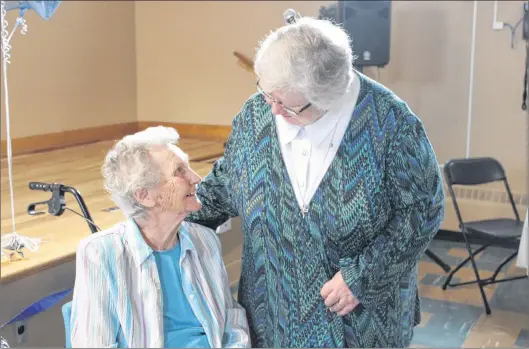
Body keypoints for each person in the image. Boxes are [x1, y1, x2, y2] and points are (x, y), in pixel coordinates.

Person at [186, 16, 445, 348]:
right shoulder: (257, 114)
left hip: (360, 324)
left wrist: (362, 277)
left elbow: (422, 212)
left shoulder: (393, 126)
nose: (273, 110)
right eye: (267, 94)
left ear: (330, 94)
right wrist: (168, 213)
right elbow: (228, 182)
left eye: (288, 104)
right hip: (272, 317)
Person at [69, 126, 250, 348]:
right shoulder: (101, 252)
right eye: (179, 171)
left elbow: (232, 322)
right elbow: (93, 343)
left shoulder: (205, 240)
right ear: (144, 195)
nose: (196, 178)